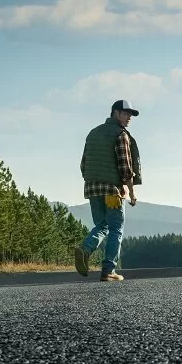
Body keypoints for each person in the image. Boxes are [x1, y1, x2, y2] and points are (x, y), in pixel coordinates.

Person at [75, 99, 143, 281]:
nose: (129, 117)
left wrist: (92, 181)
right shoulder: (120, 134)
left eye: (130, 114)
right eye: (125, 113)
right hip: (112, 191)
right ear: (115, 113)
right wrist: (132, 192)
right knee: (115, 229)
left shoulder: (92, 133)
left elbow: (83, 164)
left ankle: (85, 248)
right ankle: (108, 271)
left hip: (92, 188)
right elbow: (126, 168)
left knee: (102, 225)